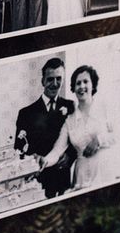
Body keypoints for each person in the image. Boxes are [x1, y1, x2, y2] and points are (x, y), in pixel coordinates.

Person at [40, 64, 114, 191]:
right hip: (81, 175)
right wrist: (44, 160)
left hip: (104, 169)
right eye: (77, 83)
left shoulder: (104, 107)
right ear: (73, 88)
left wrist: (98, 140)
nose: (81, 86)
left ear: (93, 85)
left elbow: (119, 133)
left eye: (86, 81)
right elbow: (57, 150)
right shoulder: (69, 121)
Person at [14, 57, 75, 198]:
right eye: (50, 79)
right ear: (42, 81)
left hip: (65, 179)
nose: (55, 84)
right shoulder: (26, 113)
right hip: (38, 182)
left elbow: (78, 139)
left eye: (59, 79)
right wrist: (34, 157)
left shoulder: (71, 107)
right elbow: (18, 146)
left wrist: (69, 156)